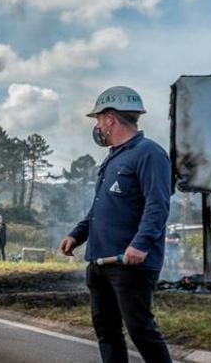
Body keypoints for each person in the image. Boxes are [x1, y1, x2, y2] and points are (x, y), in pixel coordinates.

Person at [59, 86, 173, 363]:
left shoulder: (149, 154)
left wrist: (140, 244)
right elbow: (101, 208)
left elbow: (158, 205)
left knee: (140, 329)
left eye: (98, 119)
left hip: (130, 263)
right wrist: (77, 235)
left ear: (110, 119)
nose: (97, 126)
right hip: (100, 262)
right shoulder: (113, 158)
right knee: (106, 331)